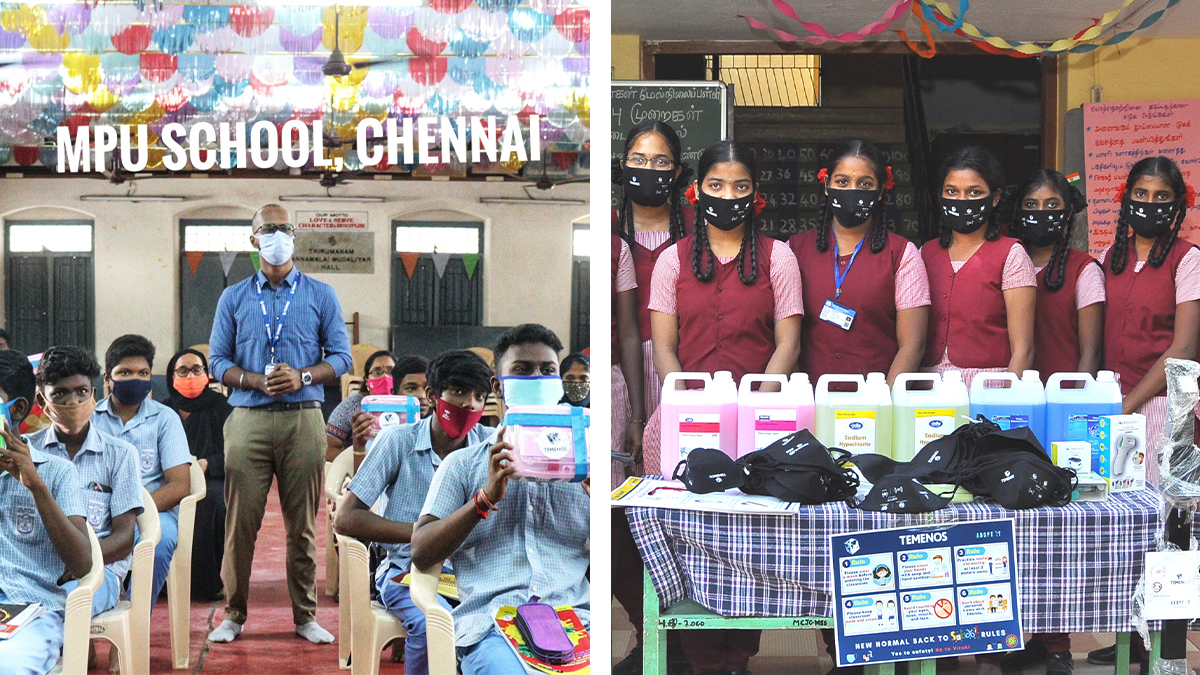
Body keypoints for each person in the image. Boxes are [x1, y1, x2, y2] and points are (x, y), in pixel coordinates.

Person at [648, 141, 804, 675]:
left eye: (740, 186)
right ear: (696, 191)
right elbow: (664, 346)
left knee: (752, 541)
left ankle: (737, 655)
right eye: (716, 185)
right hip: (687, 415)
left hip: (761, 417)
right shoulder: (672, 259)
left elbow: (788, 343)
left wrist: (756, 406)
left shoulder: (778, 256)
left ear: (755, 194)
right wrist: (687, 402)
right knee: (680, 528)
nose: (728, 196)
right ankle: (695, 653)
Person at [206, 203, 353, 645]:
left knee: (302, 525)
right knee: (241, 522)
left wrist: (303, 375)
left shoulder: (321, 294)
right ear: (253, 240)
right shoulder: (233, 297)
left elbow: (342, 358)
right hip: (248, 418)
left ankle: (305, 616)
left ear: (295, 236)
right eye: (267, 228)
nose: (277, 234)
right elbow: (216, 361)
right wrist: (251, 380)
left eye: (284, 227)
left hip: (303, 419)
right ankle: (233, 613)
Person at [410, 324, 589, 675]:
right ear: (498, 385)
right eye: (522, 370)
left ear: (559, 383)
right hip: (493, 626)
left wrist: (594, 496)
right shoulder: (463, 464)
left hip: (577, 622)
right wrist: (484, 500)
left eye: (547, 371)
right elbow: (421, 551)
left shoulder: (584, 462)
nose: (536, 379)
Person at [1085, 156, 1200, 675]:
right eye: (1141, 195)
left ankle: (1166, 645)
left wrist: (1127, 405)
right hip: (1115, 404)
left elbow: (1183, 349)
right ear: (1125, 198)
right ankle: (1126, 634)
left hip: (1162, 409)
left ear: (1178, 206)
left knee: (1164, 527)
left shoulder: (1188, 261)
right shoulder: (1109, 257)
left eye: (1161, 198)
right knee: (1120, 527)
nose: (1149, 206)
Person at [334, 350, 495, 675]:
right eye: (459, 392)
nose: (470, 405)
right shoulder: (398, 441)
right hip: (406, 570)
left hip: (473, 575)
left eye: (479, 396)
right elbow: (347, 518)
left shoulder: (488, 446)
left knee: (493, 632)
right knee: (430, 625)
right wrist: (424, 535)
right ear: (433, 396)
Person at [789, 140, 930, 385]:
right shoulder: (793, 250)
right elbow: (786, 340)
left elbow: (913, 346)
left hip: (876, 402)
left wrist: (882, 402)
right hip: (809, 399)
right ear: (826, 185)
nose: (852, 190)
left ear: (882, 190)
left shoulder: (903, 254)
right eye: (842, 182)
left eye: (865, 184)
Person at [30, 346, 143, 619]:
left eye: (82, 391)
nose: (73, 402)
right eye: (60, 393)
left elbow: (125, 538)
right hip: (37, 568)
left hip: (99, 571)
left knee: (63, 608)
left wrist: (81, 562)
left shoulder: (120, 454)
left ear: (94, 394)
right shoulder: (29, 452)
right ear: (42, 401)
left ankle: (76, 654)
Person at [0, 349, 92, 675]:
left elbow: (82, 563)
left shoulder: (55, 472)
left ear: (18, 409)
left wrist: (35, 485)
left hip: (30, 611)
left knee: (7, 667)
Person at [921, 147, 1037, 388]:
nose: (961, 200)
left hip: (990, 387)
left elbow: (1023, 350)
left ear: (995, 198)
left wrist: (1003, 400)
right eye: (952, 191)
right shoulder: (924, 253)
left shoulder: (1012, 254)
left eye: (974, 192)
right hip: (930, 390)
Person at [613, 120, 693, 469]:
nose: (649, 169)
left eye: (661, 162)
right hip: (622, 366)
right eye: (639, 159)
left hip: (682, 361)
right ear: (622, 165)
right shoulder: (609, 227)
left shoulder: (700, 228)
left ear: (677, 172)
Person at [91, 335, 191, 608]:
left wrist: (131, 511)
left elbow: (180, 484)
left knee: (159, 544)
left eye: (143, 373)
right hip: (98, 514)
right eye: (125, 372)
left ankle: (136, 619)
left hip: (152, 514)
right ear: (107, 379)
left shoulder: (164, 419)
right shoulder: (90, 420)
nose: (135, 379)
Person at [1009, 170, 1104, 380]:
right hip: (1011, 392)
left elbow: (1092, 353)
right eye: (1031, 205)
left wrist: (1077, 401)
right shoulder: (1005, 262)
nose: (1041, 212)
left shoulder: (1084, 270)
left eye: (1052, 205)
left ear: (1068, 212)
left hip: (1062, 396)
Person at [163, 347, 233, 601]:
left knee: (210, 503)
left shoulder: (222, 408)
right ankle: (160, 580)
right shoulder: (163, 411)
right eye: (183, 370)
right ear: (172, 375)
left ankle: (204, 583)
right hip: (170, 479)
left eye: (196, 369)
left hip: (212, 478)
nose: (190, 374)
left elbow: (235, 453)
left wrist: (207, 463)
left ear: (206, 374)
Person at [326, 352, 429, 462]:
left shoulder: (416, 409)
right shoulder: (353, 405)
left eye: (390, 371)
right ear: (367, 380)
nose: (384, 377)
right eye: (377, 372)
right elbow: (331, 446)